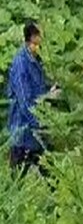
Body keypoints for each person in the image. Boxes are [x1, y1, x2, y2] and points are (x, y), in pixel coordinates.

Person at [7, 21, 56, 177]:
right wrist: (39, 123)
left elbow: (39, 90)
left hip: (36, 130)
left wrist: (51, 92)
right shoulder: (21, 63)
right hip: (23, 130)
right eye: (41, 35)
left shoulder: (36, 59)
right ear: (33, 37)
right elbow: (24, 100)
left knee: (51, 173)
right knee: (17, 178)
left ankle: (60, 199)